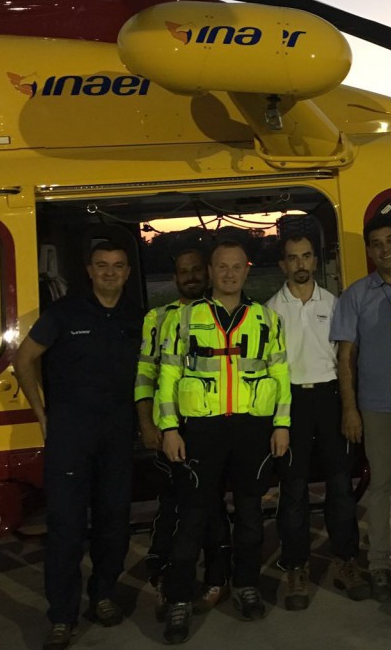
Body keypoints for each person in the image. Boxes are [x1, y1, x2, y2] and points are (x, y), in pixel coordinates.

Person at [155, 240, 290, 644]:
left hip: (252, 429)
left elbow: (281, 374)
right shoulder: (183, 319)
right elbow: (168, 375)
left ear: (247, 271)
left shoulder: (266, 319)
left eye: (236, 267)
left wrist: (282, 425)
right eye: (222, 267)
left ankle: (246, 584)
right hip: (201, 430)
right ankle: (179, 598)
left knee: (250, 516)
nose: (230, 274)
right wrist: (169, 428)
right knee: (192, 518)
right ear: (211, 271)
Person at [13, 240, 144, 650]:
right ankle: (62, 616)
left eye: (118, 265)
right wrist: (41, 414)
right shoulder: (63, 313)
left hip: (118, 436)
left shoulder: (137, 317)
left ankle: (103, 595)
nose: (110, 272)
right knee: (66, 529)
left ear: (127, 272)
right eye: (102, 265)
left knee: (114, 524)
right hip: (70, 437)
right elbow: (23, 359)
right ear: (89, 270)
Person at [330, 213, 391, 602]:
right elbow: (345, 358)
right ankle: (379, 564)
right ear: (369, 251)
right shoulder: (356, 295)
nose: (385, 249)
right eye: (376, 244)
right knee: (382, 486)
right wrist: (349, 409)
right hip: (376, 406)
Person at [267, 235, 370, 610]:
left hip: (330, 398)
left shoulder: (334, 304)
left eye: (306, 256)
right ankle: (296, 567)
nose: (300, 264)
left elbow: (346, 361)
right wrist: (277, 420)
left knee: (340, 485)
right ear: (283, 265)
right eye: (292, 258)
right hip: (290, 401)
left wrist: (350, 408)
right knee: (293, 490)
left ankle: (346, 561)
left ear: (315, 260)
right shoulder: (269, 310)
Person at [134, 249, 231, 619]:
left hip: (213, 428)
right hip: (171, 429)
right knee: (174, 507)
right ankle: (164, 578)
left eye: (196, 270)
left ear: (207, 273)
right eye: (182, 271)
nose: (190, 277)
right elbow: (146, 373)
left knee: (214, 507)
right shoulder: (158, 318)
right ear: (175, 278)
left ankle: (217, 579)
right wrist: (148, 423)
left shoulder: (225, 314)